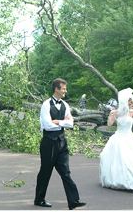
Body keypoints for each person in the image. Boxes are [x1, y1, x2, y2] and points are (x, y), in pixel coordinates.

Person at [34, 78, 86, 210]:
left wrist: (58, 122)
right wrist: (63, 122)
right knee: (45, 172)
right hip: (48, 143)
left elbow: (71, 123)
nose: (65, 91)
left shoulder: (65, 105)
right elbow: (47, 125)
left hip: (62, 143)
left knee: (66, 172)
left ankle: (73, 201)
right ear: (56, 89)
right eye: (63, 88)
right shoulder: (46, 104)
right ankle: (39, 200)